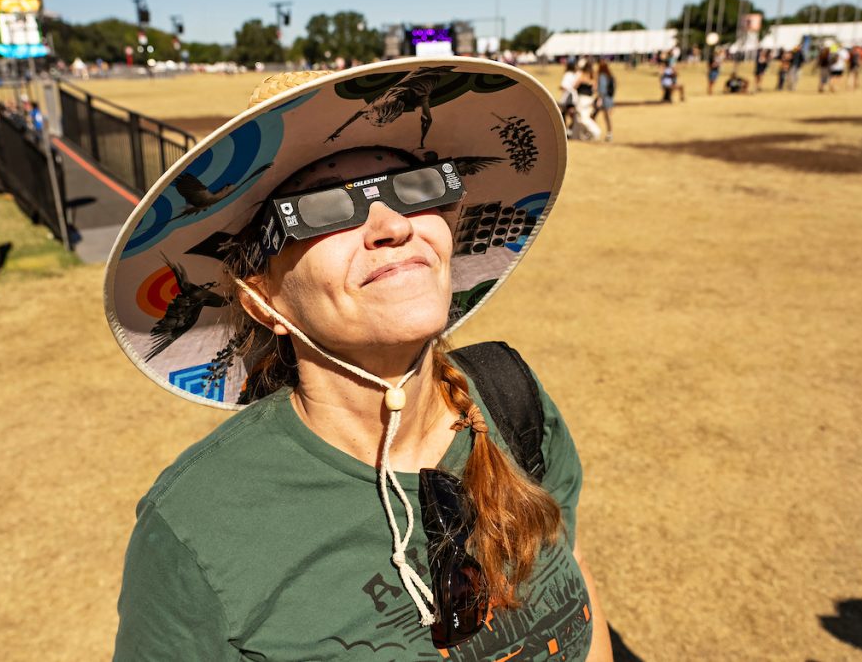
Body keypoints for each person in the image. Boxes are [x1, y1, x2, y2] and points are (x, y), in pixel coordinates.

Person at [106, 59, 614, 660]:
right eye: (322, 206)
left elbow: (578, 591)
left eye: (417, 184)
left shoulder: (513, 401)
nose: (391, 224)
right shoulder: (197, 527)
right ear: (261, 298)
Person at [595, 60, 615, 141]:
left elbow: (602, 89)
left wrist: (599, 99)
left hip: (604, 99)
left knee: (606, 117)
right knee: (608, 118)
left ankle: (608, 133)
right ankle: (609, 133)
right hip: (610, 98)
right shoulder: (610, 76)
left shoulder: (602, 76)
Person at [559, 60, 579, 135]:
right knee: (573, 115)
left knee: (564, 114)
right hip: (574, 97)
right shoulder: (576, 74)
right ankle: (570, 130)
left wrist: (561, 88)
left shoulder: (567, 74)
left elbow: (563, 86)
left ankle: (566, 131)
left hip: (568, 97)